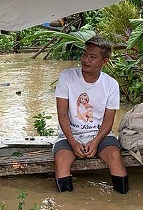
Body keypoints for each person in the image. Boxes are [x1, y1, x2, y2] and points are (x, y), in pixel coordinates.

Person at [53, 35, 129, 194]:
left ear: (104, 61)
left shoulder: (111, 84)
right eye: (85, 54)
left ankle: (122, 201)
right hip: (70, 135)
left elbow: (109, 121)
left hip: (100, 135)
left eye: (93, 57)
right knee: (61, 160)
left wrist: (95, 142)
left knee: (115, 156)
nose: (86, 59)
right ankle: (67, 207)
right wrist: (73, 143)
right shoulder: (67, 77)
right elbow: (62, 114)